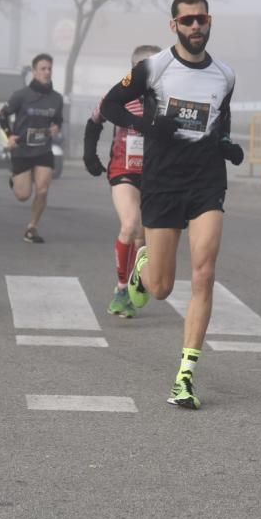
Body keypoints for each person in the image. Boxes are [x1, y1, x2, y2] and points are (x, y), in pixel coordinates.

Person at [100, 0, 245, 411]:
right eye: (187, 21)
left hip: (205, 183)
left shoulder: (225, 75)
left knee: (203, 273)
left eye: (201, 19)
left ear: (209, 21)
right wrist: (148, 124)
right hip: (162, 181)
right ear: (174, 26)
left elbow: (222, 118)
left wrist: (225, 145)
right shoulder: (155, 67)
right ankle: (142, 265)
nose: (195, 27)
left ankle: (185, 375)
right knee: (161, 289)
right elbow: (111, 105)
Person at [84, 44, 161, 317]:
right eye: (145, 66)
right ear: (134, 70)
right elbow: (95, 120)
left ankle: (131, 285)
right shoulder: (118, 96)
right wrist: (89, 155)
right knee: (129, 225)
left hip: (154, 175)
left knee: (142, 237)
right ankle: (120, 290)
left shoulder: (166, 100)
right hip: (123, 171)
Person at [0, 53, 64, 243]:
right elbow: (3, 115)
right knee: (23, 195)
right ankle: (15, 179)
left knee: (42, 190)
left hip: (43, 149)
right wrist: (9, 135)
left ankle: (32, 227)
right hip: (22, 150)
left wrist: (56, 127)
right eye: (43, 69)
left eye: (49, 68)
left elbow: (58, 119)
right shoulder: (21, 95)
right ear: (34, 72)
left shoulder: (56, 98)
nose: (47, 72)